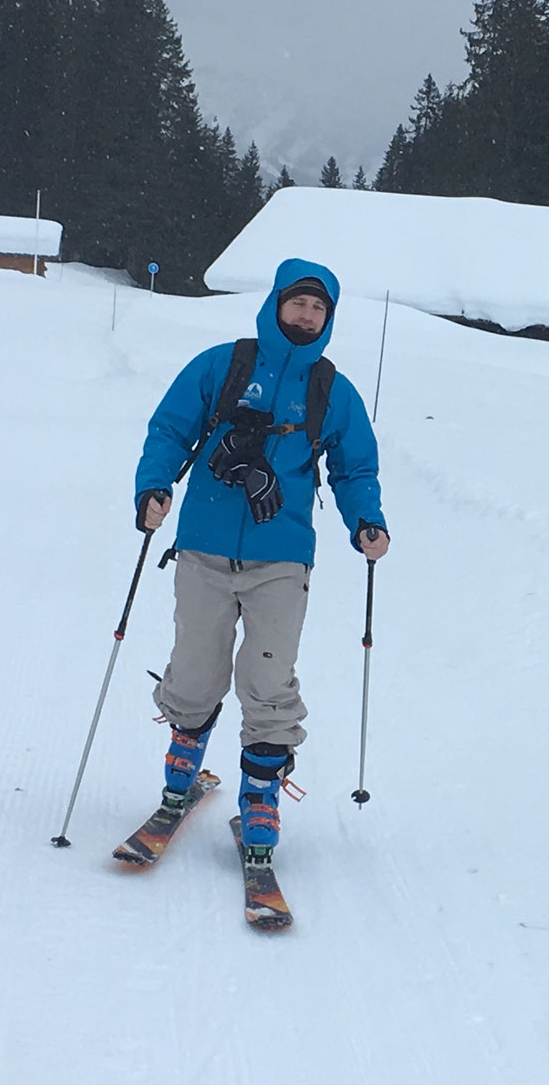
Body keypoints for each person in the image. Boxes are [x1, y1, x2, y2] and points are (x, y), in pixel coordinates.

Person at [132, 258, 388, 866]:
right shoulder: (224, 365)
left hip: (283, 557)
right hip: (202, 547)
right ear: (276, 304)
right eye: (298, 303)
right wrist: (153, 487)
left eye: (318, 308)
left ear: (327, 319)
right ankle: (182, 775)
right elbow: (169, 429)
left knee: (269, 683)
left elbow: (354, 468)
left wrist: (367, 522)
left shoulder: (332, 390)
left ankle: (260, 801)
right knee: (194, 669)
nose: (306, 314)